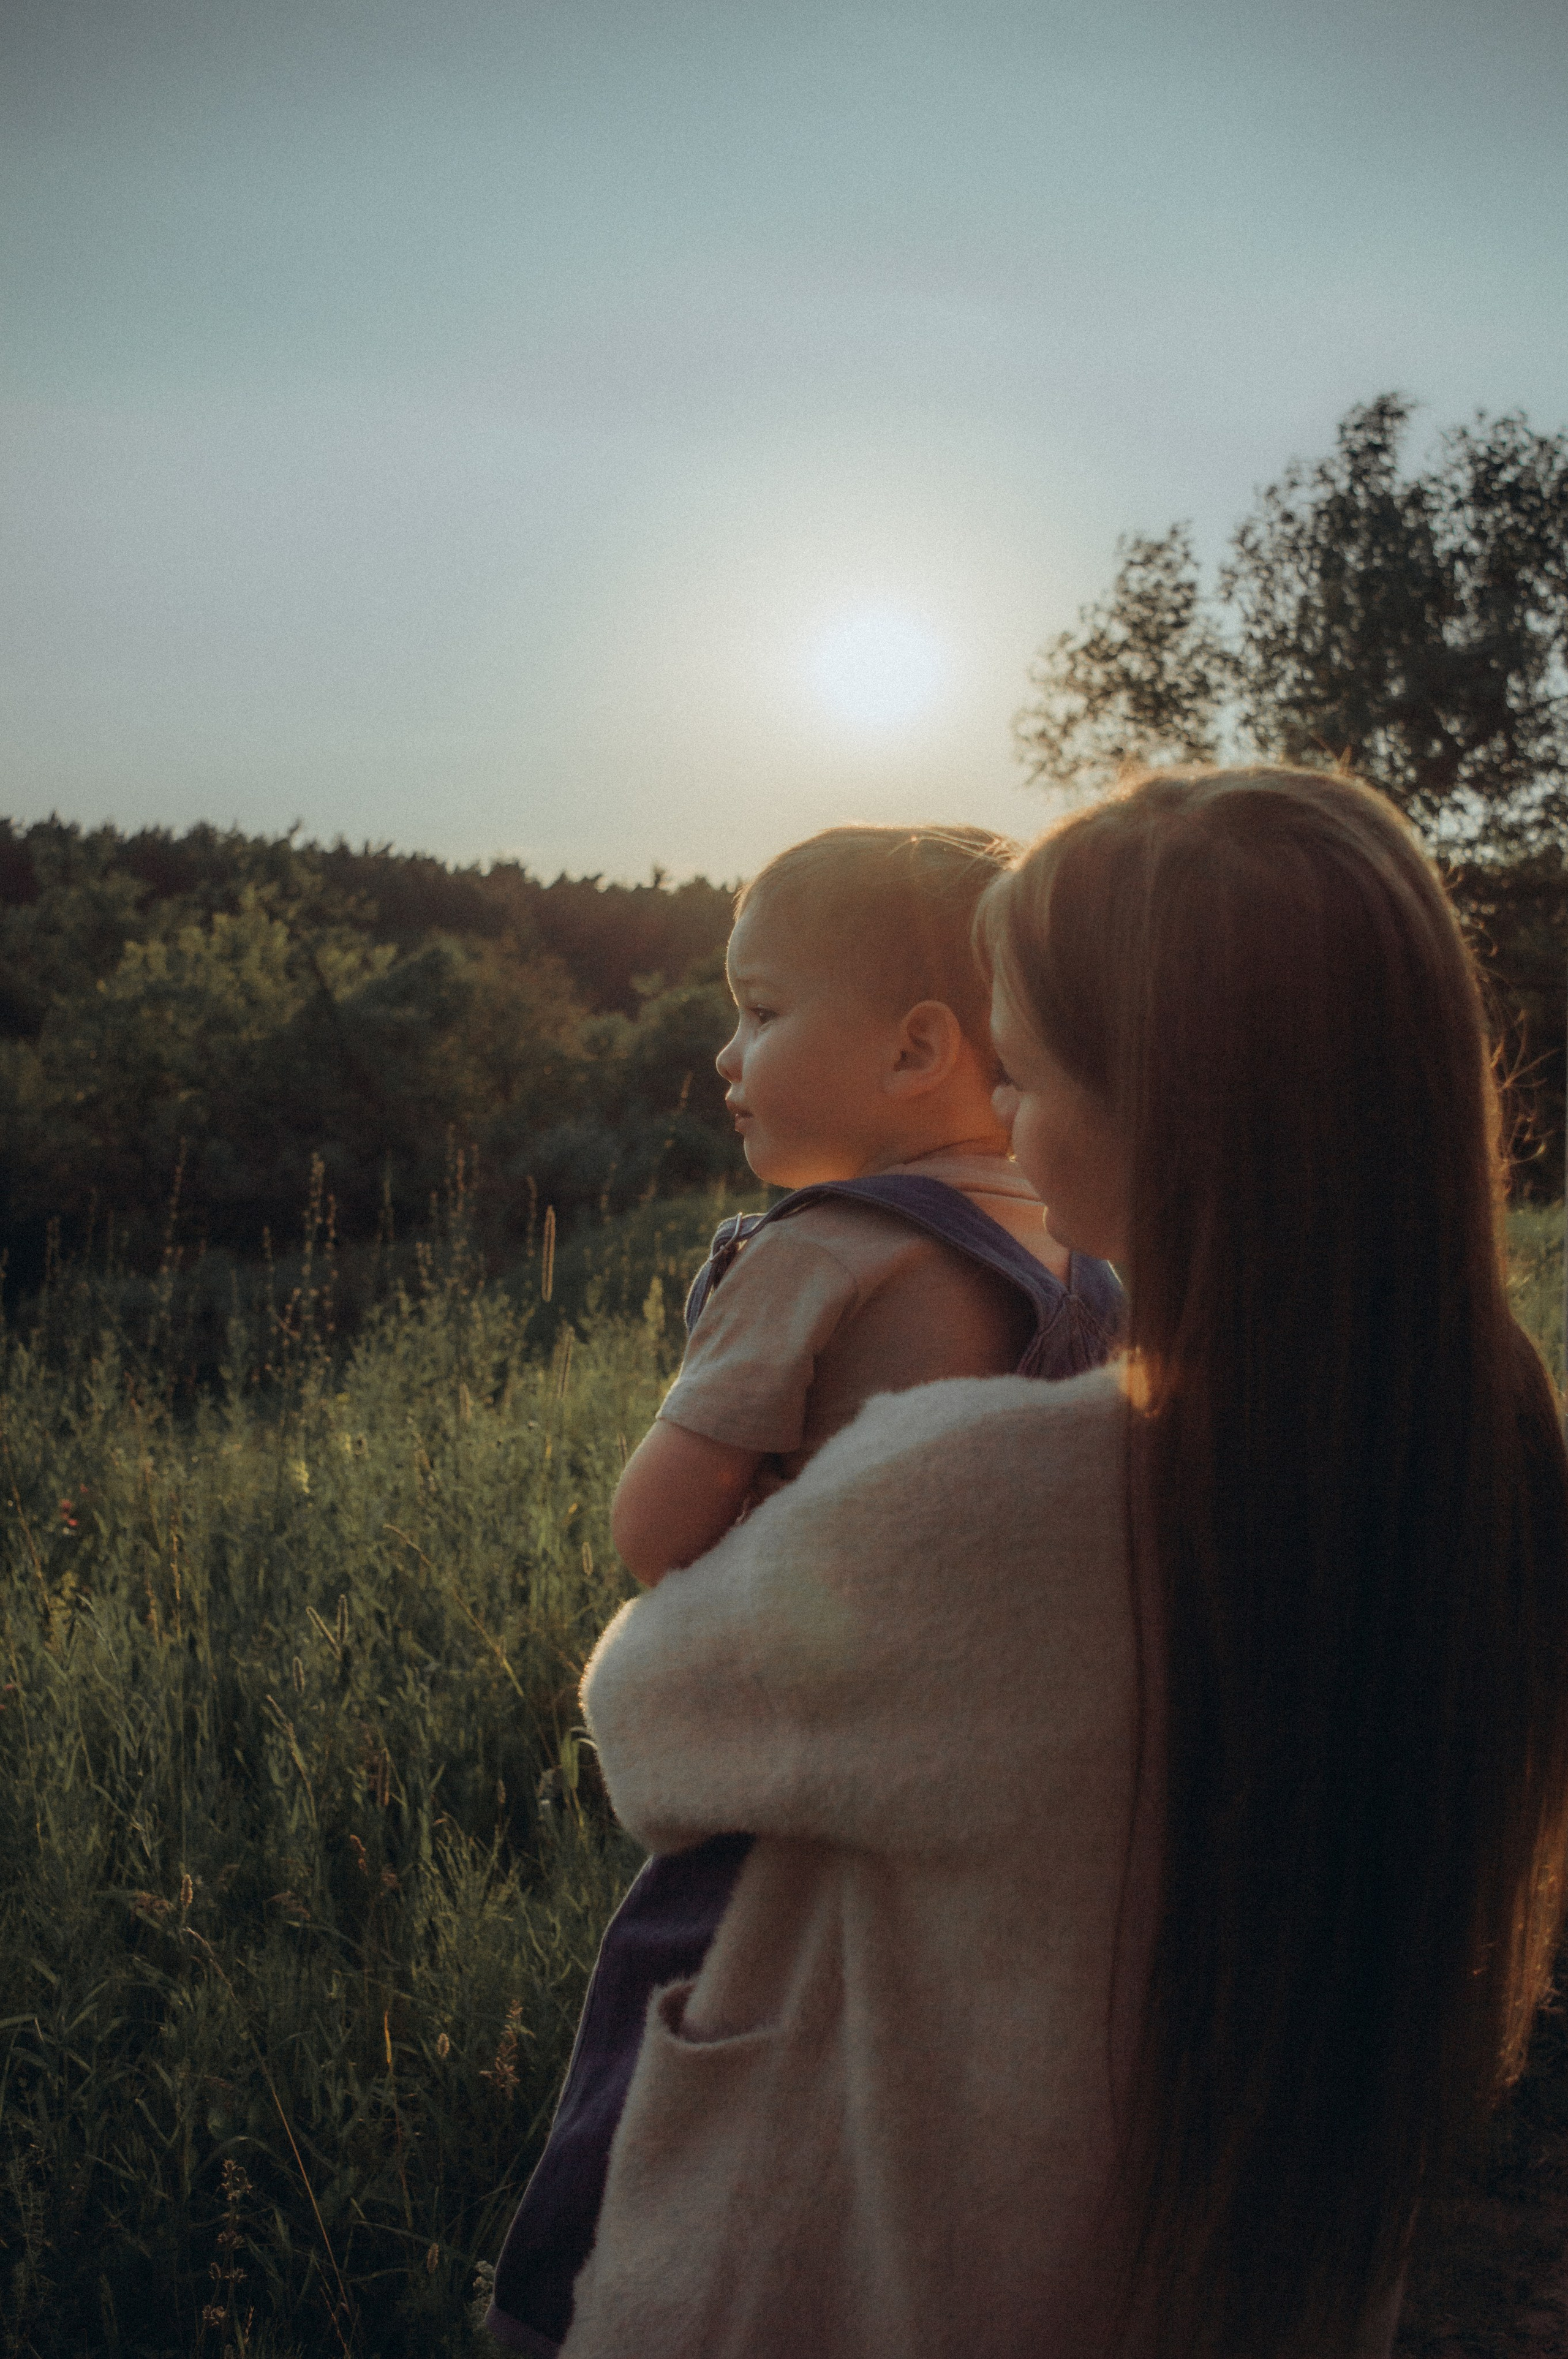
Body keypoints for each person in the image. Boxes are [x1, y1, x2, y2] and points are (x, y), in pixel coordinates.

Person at [553, 767, 1568, 2359]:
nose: (1000, 1120)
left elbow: (653, 1727)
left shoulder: (995, 1500)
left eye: (1020, 1070)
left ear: (1156, 1103)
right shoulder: (1486, 1452)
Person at [484, 823, 1124, 2353]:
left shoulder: (824, 1251)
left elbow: (657, 1527)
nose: (725, 1054)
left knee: (660, 2042)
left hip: (788, 1759)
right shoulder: (1081, 1252)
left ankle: (549, 2308)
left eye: (760, 1011)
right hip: (976, 1777)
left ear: (915, 1048)